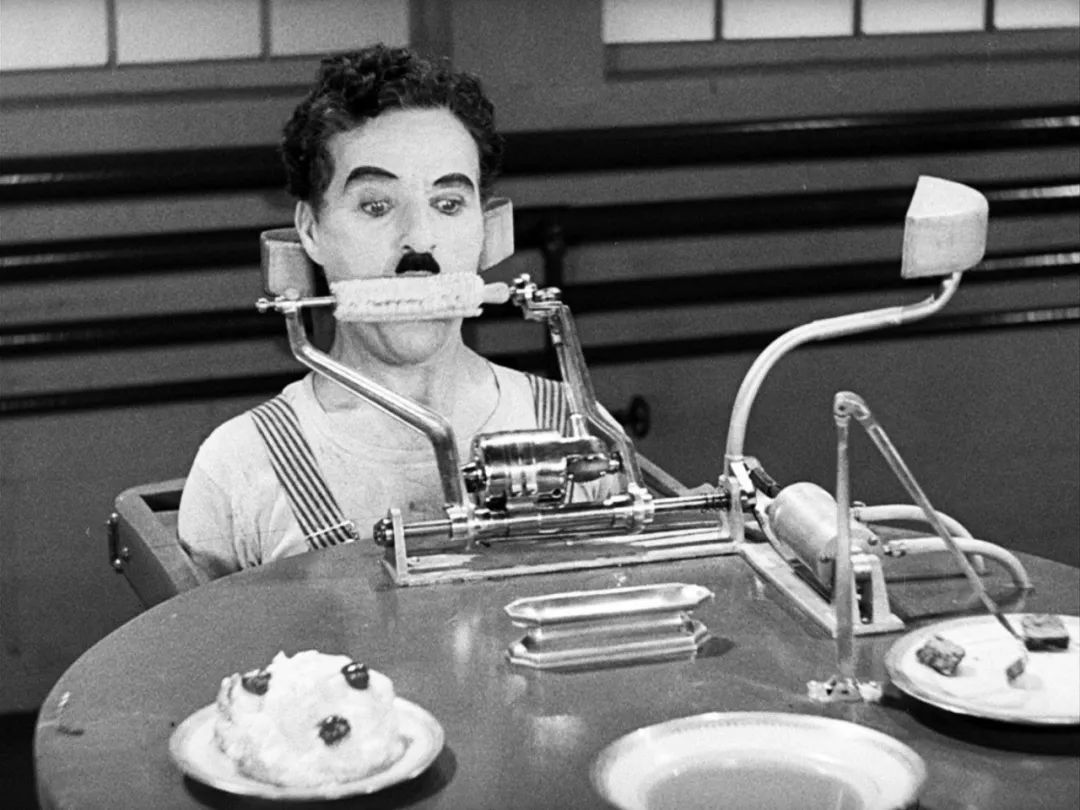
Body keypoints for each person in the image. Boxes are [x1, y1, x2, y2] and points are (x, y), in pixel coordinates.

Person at [178, 44, 578, 579]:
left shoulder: (572, 429)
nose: (420, 240)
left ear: (486, 230)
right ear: (311, 230)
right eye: (376, 206)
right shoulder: (241, 466)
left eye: (448, 204)